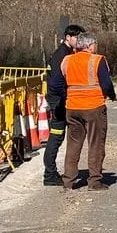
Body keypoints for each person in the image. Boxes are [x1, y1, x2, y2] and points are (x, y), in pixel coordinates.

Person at [55, 31, 116, 191]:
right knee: (95, 144)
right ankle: (94, 181)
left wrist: (68, 96)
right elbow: (107, 84)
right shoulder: (97, 60)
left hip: (72, 108)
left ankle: (68, 181)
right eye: (95, 44)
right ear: (89, 46)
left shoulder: (67, 60)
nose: (96, 47)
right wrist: (112, 95)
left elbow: (57, 83)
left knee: (73, 145)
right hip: (93, 106)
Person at [40, 25, 79, 186]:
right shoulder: (61, 54)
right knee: (56, 137)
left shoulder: (68, 53)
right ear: (68, 37)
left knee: (58, 137)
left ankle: (51, 172)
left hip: (59, 99)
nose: (78, 40)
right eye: (76, 37)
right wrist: (65, 98)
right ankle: (49, 174)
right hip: (58, 102)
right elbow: (56, 83)